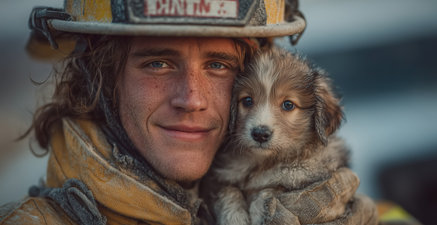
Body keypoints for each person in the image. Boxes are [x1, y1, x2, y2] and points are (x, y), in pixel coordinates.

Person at [0, 0, 380, 224]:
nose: (191, 99)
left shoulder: (333, 204)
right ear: (99, 79)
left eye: (218, 65)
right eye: (158, 64)